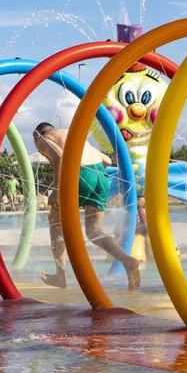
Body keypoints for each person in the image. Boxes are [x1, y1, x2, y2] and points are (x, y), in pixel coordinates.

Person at [33, 122, 140, 290]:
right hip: (100, 176)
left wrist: (58, 189)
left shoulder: (43, 139)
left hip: (81, 173)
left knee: (55, 221)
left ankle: (61, 275)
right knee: (94, 231)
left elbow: (58, 157)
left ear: (36, 135)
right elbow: (106, 160)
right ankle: (128, 261)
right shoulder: (73, 135)